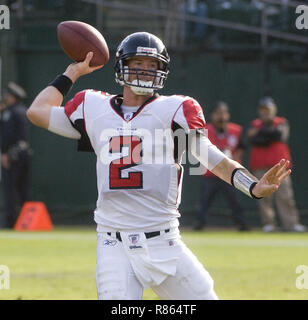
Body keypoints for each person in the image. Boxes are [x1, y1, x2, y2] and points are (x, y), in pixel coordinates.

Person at [27, 32, 292, 300]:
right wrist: (72, 72)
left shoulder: (176, 108)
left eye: (152, 65)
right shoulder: (92, 106)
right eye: (138, 62)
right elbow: (37, 112)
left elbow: (212, 158)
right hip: (113, 243)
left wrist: (254, 187)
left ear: (162, 70)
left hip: (164, 240)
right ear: (122, 65)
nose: (145, 70)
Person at [247, 97, 306, 233]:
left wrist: (262, 134)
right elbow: (253, 139)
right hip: (260, 166)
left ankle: (291, 224)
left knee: (285, 196)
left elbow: (280, 135)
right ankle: (269, 224)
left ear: (274, 110)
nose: (265, 113)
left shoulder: (282, 122)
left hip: (280, 167)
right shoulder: (254, 124)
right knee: (263, 196)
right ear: (259, 111)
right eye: (263, 110)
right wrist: (268, 134)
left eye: (268, 109)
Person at [195, 101, 250, 231]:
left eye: (223, 113)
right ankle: (199, 224)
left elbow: (242, 147)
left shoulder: (235, 130)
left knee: (235, 201)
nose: (221, 117)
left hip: (229, 173)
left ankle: (242, 224)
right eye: (217, 113)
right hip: (211, 173)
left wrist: (233, 158)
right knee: (204, 201)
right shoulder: (204, 130)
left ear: (228, 115)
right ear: (212, 115)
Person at [0, 81, 31, 229]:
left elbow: (11, 137)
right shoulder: (21, 111)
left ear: (14, 97)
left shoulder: (11, 113)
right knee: (23, 189)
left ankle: (11, 223)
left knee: (10, 190)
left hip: (13, 156)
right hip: (22, 154)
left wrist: (6, 154)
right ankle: (25, 222)